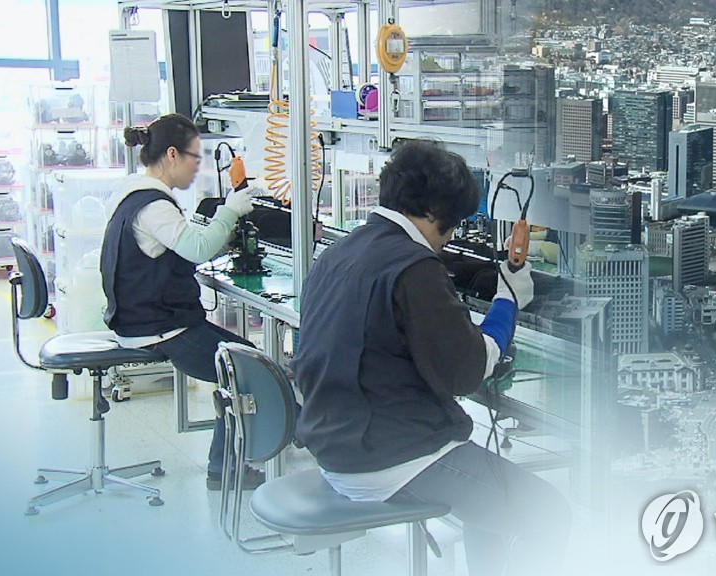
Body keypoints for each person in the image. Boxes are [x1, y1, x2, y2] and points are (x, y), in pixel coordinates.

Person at [293, 140, 570, 576]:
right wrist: (508, 301)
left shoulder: (337, 253)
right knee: (548, 510)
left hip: (335, 446)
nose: (450, 237)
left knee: (491, 503)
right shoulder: (414, 266)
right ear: (434, 211)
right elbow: (468, 372)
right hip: (393, 459)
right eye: (452, 223)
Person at [100, 113, 263, 491]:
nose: (196, 167)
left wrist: (222, 233)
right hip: (159, 327)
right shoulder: (154, 205)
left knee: (245, 359)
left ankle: (270, 442)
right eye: (194, 157)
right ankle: (237, 463)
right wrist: (230, 210)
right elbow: (198, 248)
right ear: (172, 155)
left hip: (141, 319)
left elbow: (180, 249)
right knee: (245, 368)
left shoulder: (130, 192)